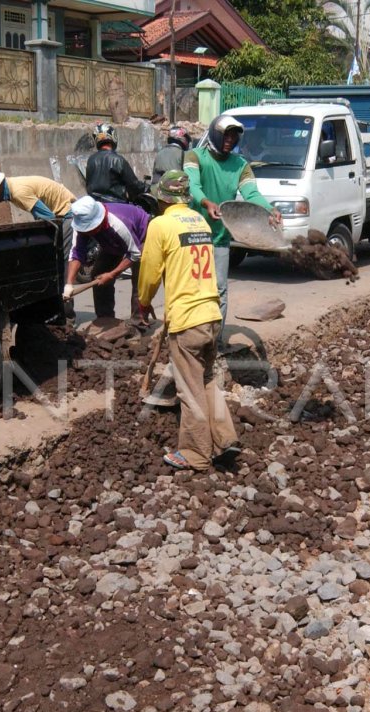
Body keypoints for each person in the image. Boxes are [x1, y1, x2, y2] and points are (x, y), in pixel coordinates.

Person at [138, 170, 239, 471]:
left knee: (188, 387)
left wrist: (143, 303)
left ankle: (195, 454)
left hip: (187, 322)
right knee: (206, 380)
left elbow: (150, 271)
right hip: (211, 314)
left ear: (162, 199)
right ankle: (224, 438)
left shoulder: (161, 224)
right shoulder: (200, 222)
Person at [183, 113, 281, 342]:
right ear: (215, 134)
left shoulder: (240, 165)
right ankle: (188, 337)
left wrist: (269, 209)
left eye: (234, 136)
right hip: (192, 234)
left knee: (219, 291)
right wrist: (206, 203)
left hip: (219, 236)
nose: (229, 139)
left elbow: (252, 194)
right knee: (192, 289)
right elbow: (193, 186)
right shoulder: (195, 156)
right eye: (225, 135)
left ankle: (214, 341)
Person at [66, 196, 150, 327]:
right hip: (112, 242)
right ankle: (105, 318)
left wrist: (112, 274)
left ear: (98, 222)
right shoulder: (81, 226)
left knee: (140, 281)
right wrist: (69, 284)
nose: (88, 232)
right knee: (99, 272)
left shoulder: (118, 223)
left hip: (141, 237)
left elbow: (135, 254)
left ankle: (138, 323)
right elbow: (77, 253)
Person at [0, 165, 76, 267]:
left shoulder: (18, 193)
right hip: (60, 211)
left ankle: (67, 282)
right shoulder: (12, 186)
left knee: (61, 257)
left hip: (66, 213)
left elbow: (49, 218)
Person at [85, 123, 147, 203]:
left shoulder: (91, 160)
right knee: (142, 215)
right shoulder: (118, 160)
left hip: (95, 205)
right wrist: (145, 188)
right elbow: (133, 184)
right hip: (116, 204)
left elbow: (88, 184)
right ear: (113, 137)